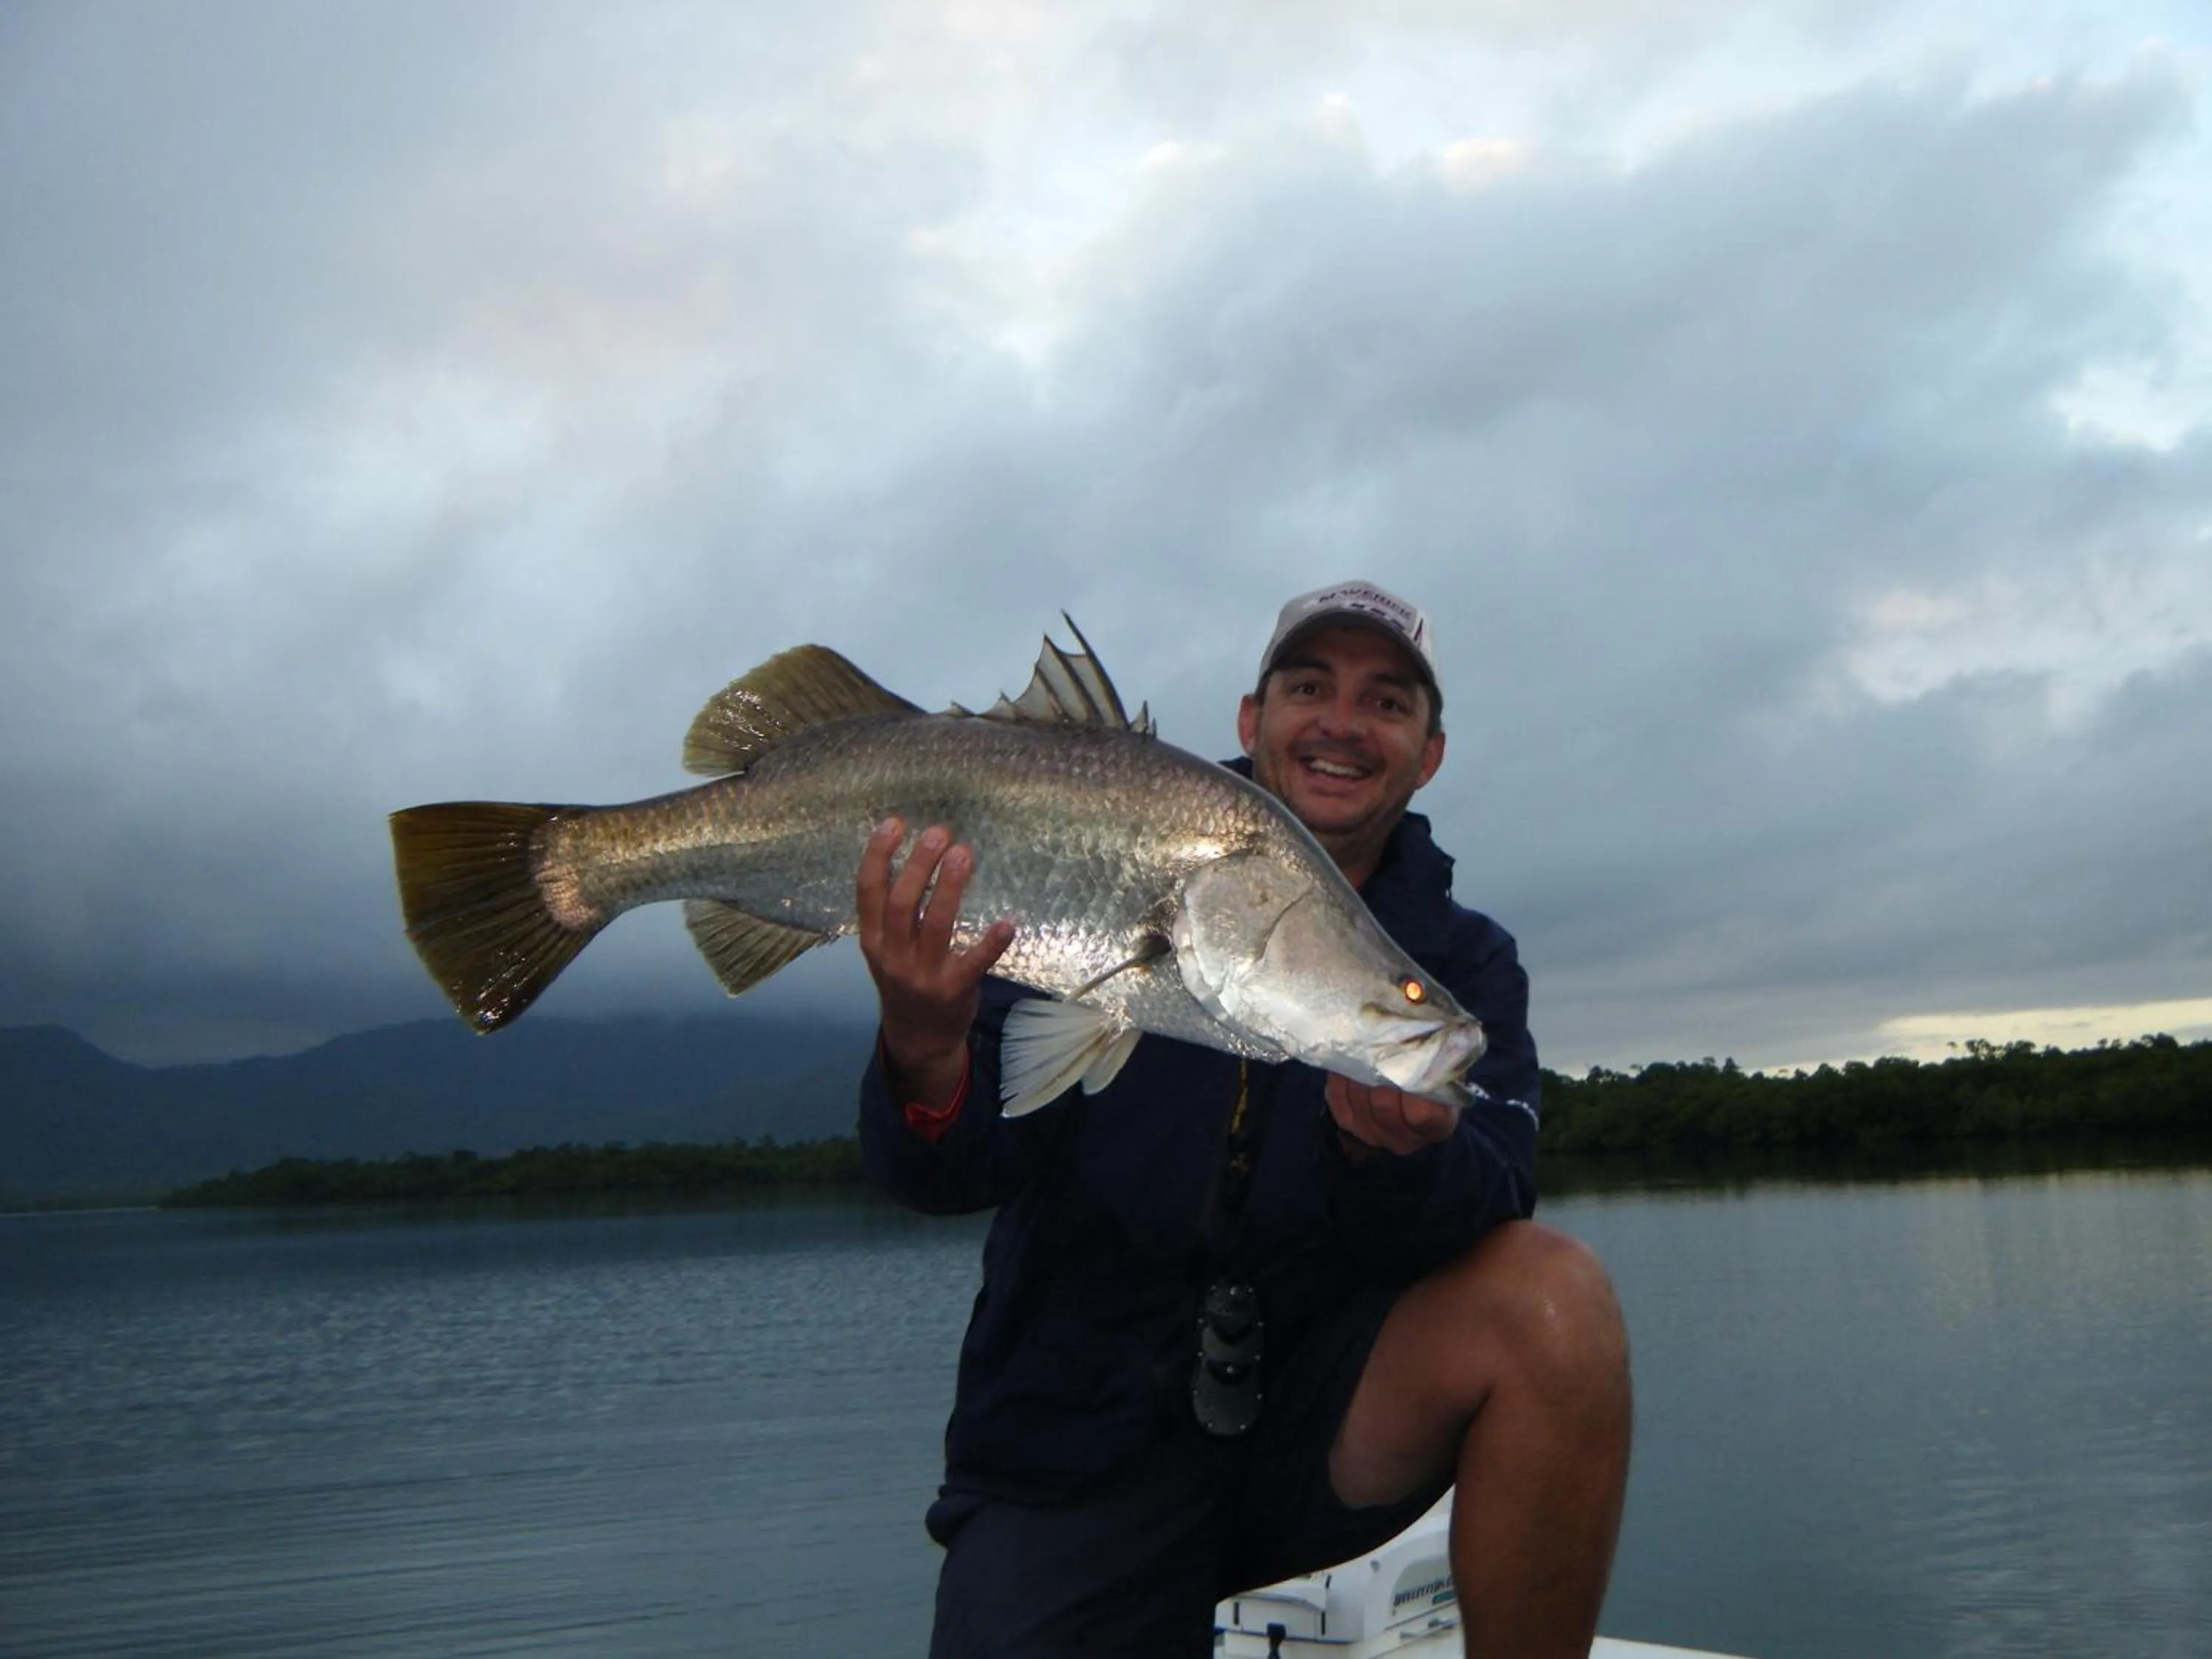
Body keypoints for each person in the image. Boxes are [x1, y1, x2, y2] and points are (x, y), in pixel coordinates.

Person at [854, 580, 1630, 1658]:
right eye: (1309, 686)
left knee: (1556, 1300)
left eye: (1388, 701)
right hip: (1074, 1445)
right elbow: (949, 1172)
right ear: (1249, 718)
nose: (1344, 723)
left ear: (1430, 752)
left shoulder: (1461, 964)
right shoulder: (1076, 859)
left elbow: (1495, 1183)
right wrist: (921, 1040)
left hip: (1324, 1426)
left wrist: (1385, 1155)